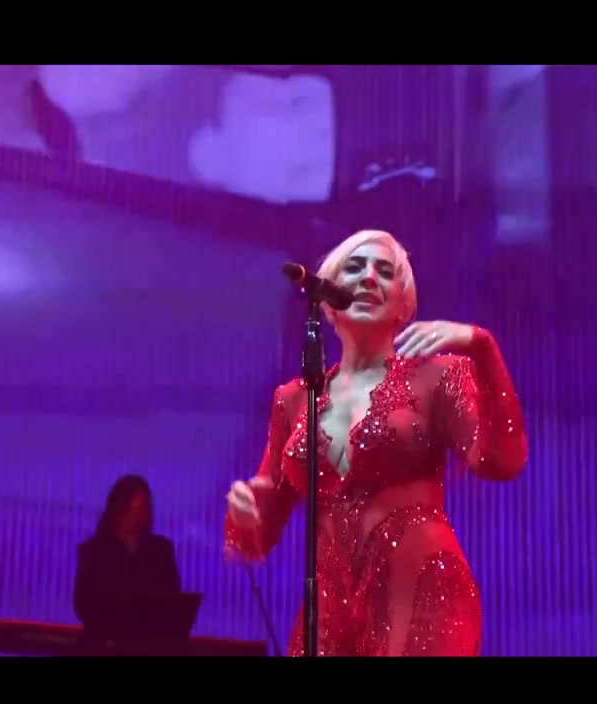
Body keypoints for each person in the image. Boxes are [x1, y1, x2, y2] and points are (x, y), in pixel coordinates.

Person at [223, 229, 528, 656]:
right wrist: (245, 513)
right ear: (327, 298)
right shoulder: (293, 399)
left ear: (404, 303)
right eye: (354, 267)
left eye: (385, 272)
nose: (369, 277)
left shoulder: (439, 377)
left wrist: (483, 347)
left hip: (422, 598)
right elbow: (258, 535)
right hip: (328, 611)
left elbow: (502, 461)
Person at [73, 474, 181, 628]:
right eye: (131, 509)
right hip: (104, 637)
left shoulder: (161, 551)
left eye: (141, 509)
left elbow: (174, 602)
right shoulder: (93, 551)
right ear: (117, 510)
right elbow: (82, 605)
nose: (136, 516)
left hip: (149, 637)